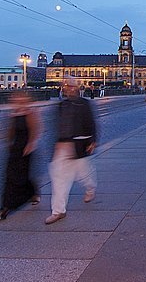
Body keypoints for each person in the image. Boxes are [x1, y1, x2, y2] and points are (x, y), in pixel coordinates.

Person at [46, 82, 97, 225]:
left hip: (79, 145)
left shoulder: (84, 104)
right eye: (67, 87)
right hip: (62, 146)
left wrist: (93, 141)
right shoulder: (61, 105)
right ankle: (58, 211)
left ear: (78, 89)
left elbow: (91, 123)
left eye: (72, 87)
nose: (69, 90)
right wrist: (57, 143)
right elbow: (58, 125)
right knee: (59, 179)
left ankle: (90, 187)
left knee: (84, 174)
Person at [0, 91, 40, 224]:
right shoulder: (12, 114)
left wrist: (31, 144)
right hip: (14, 149)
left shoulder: (30, 113)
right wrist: (4, 141)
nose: (17, 101)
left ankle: (27, 196)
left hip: (26, 149)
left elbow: (35, 130)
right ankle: (6, 205)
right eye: (15, 99)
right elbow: (8, 132)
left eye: (20, 99)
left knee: (22, 176)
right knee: (10, 176)